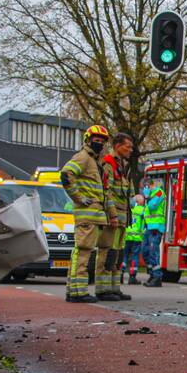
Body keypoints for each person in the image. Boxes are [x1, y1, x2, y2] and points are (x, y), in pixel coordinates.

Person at [60, 125, 112, 302]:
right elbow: (66, 175)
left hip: (93, 215)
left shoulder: (95, 162)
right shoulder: (83, 158)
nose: (99, 143)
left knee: (82, 252)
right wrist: (79, 198)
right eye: (96, 140)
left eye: (102, 141)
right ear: (88, 140)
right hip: (87, 215)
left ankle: (74, 290)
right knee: (82, 252)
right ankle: (79, 292)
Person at [102, 133, 134, 300]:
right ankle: (104, 289)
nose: (130, 150)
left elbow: (128, 192)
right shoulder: (109, 163)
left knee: (118, 254)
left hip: (123, 217)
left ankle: (115, 288)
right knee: (109, 253)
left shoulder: (124, 166)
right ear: (117, 146)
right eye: (127, 146)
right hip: (114, 218)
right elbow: (107, 192)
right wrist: (112, 215)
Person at [142, 177, 166, 287]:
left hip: (156, 227)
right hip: (149, 227)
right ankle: (152, 274)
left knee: (153, 252)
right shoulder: (151, 195)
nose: (145, 188)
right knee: (145, 251)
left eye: (146, 186)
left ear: (151, 185)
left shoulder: (159, 192)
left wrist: (147, 197)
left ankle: (157, 277)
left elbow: (152, 206)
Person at [124, 193, 146, 284]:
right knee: (134, 256)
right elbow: (145, 224)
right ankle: (132, 277)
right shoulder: (143, 210)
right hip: (137, 238)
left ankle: (120, 275)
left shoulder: (129, 209)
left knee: (124, 256)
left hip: (127, 236)